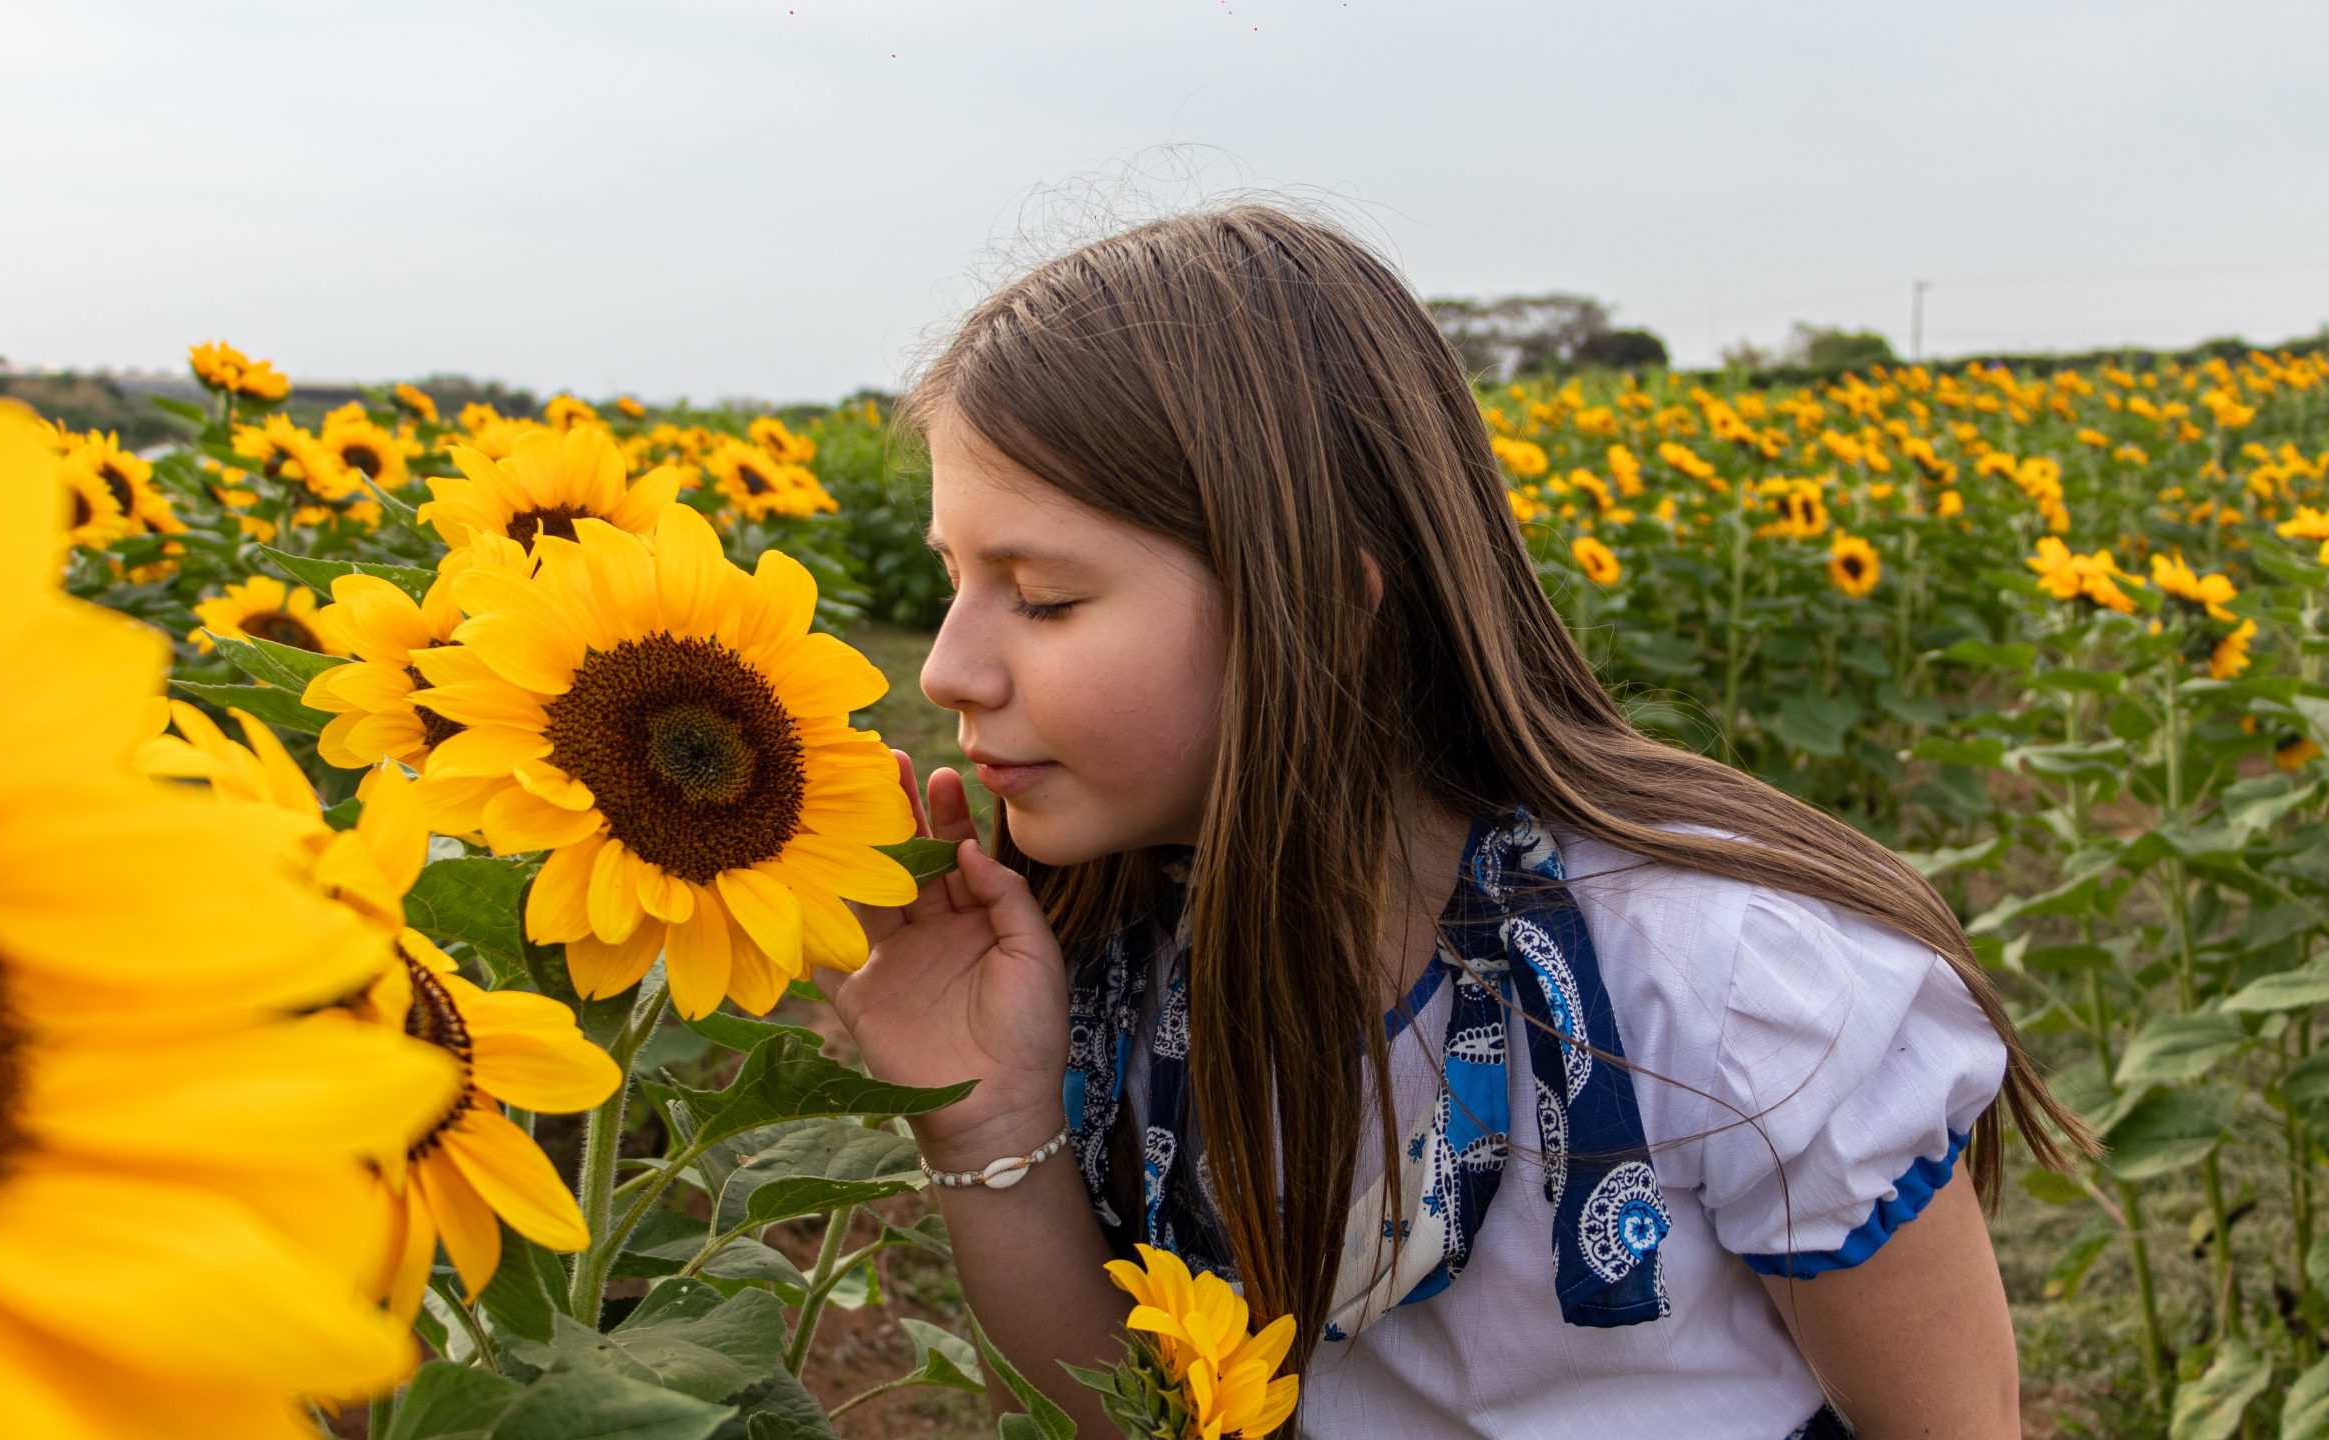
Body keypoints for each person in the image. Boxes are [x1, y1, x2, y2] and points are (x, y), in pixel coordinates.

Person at [814, 204, 2089, 1439]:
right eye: (950, 578)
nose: (943, 667)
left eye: (1038, 597)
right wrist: (991, 1120)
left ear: (1316, 609)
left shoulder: (1719, 986)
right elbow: (1124, 1421)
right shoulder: (1121, 967)